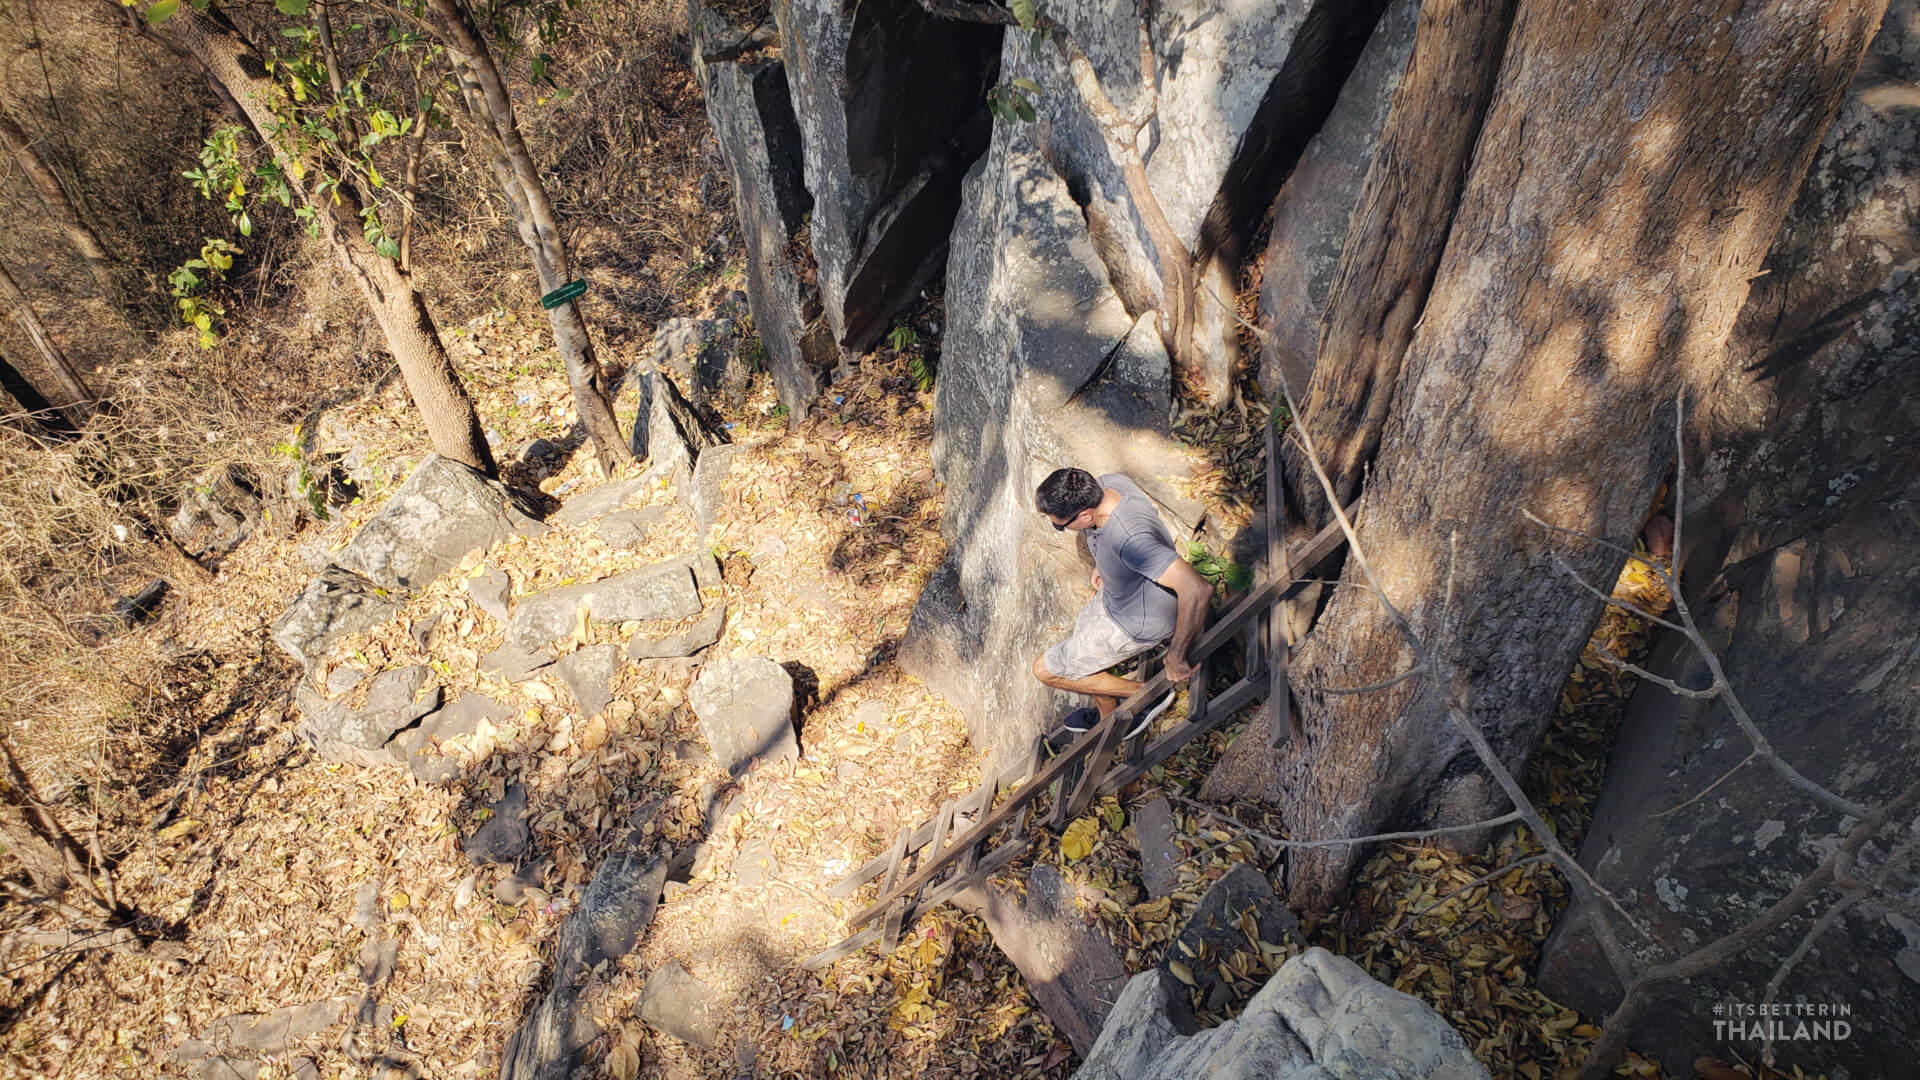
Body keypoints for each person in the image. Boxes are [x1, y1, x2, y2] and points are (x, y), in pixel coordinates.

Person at [1031, 467, 1211, 737]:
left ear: (1085, 515)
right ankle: (1107, 716)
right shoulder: (1109, 484)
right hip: (1119, 599)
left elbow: (1197, 589)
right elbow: (1110, 538)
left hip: (1136, 621)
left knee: (1045, 670)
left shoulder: (1129, 540)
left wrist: (1176, 655)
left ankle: (1145, 696)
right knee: (1082, 645)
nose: (1057, 528)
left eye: (1060, 525)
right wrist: (1105, 563)